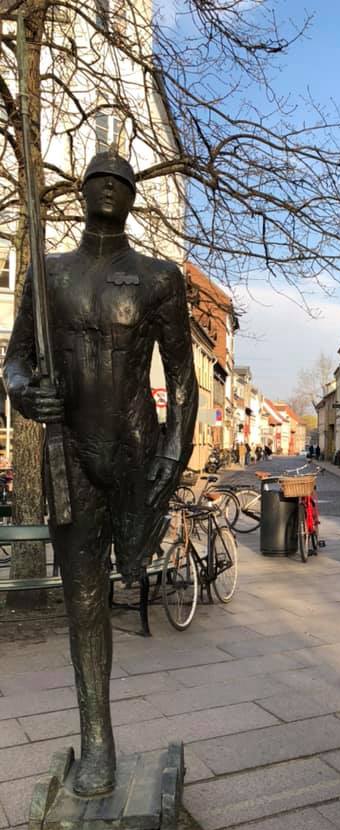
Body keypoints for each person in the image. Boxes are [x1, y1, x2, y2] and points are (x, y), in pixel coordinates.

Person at [5, 149, 198, 796]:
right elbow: (16, 361)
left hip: (135, 452)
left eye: (121, 180)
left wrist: (171, 458)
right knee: (84, 600)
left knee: (130, 577)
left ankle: (101, 741)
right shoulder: (48, 273)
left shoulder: (159, 279)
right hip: (69, 454)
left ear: (133, 195)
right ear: (83, 191)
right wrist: (26, 393)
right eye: (99, 179)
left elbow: (183, 381)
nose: (110, 187)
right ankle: (97, 744)